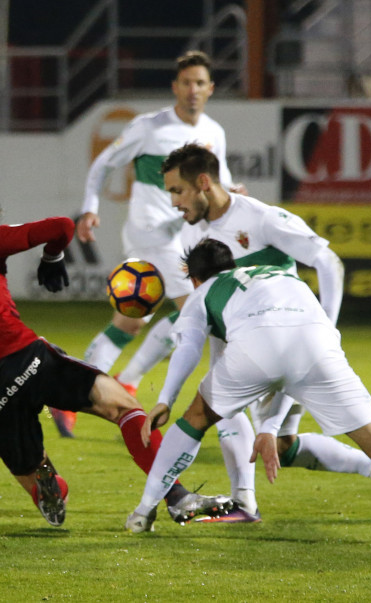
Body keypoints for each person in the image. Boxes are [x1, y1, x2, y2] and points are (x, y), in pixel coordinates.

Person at [125, 238, 371, 548]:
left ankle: (143, 513)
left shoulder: (202, 293)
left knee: (195, 419)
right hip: (319, 345)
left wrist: (166, 398)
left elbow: (190, 347)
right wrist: (272, 425)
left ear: (194, 278)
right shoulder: (279, 277)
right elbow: (289, 364)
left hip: (256, 348)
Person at [0, 192, 233, 527]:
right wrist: (52, 258)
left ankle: (46, 483)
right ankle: (176, 497)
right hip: (24, 359)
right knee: (123, 408)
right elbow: (60, 227)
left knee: (41, 480)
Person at [160, 143, 371, 522]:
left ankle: (246, 503)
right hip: (240, 349)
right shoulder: (193, 236)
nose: (174, 202)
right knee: (274, 440)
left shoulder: (260, 217)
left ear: (203, 183)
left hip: (285, 344)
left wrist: (327, 323)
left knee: (258, 430)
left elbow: (327, 261)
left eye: (177, 191)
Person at [50, 50, 242, 438]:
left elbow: (217, 183)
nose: (192, 90)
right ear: (175, 87)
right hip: (151, 233)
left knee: (131, 321)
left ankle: (67, 392)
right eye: (186, 82)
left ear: (210, 88)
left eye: (200, 83)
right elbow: (103, 163)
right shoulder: (149, 127)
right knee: (196, 311)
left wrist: (233, 194)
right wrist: (89, 208)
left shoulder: (214, 133)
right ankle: (130, 380)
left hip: (185, 235)